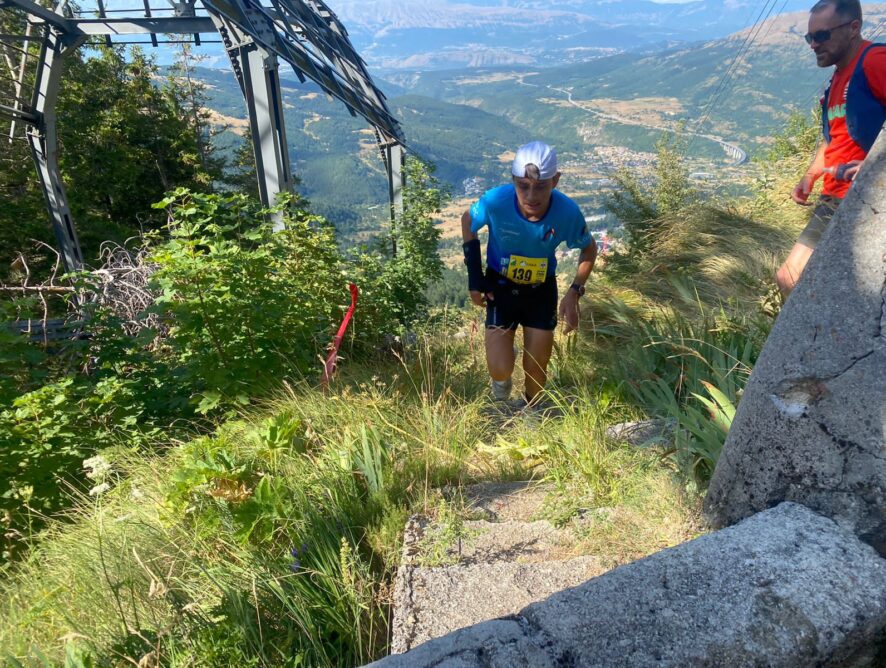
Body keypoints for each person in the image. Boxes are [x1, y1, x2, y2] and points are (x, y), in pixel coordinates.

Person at [461, 141, 597, 405]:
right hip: (500, 287)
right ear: (513, 180)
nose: (531, 195)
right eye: (523, 186)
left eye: (541, 186)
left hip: (540, 291)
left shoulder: (567, 212)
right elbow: (468, 221)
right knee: (500, 367)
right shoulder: (495, 202)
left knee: (536, 367)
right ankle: (501, 395)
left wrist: (574, 292)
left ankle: (533, 413)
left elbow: (589, 250)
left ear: (555, 181)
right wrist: (475, 279)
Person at [776, 0, 886, 299]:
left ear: (853, 28)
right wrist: (810, 175)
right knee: (791, 278)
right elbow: (833, 138)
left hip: (865, 199)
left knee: (798, 278)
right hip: (833, 194)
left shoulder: (875, 61)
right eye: (809, 37)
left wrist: (876, 166)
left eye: (822, 35)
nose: (813, 44)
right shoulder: (838, 76)